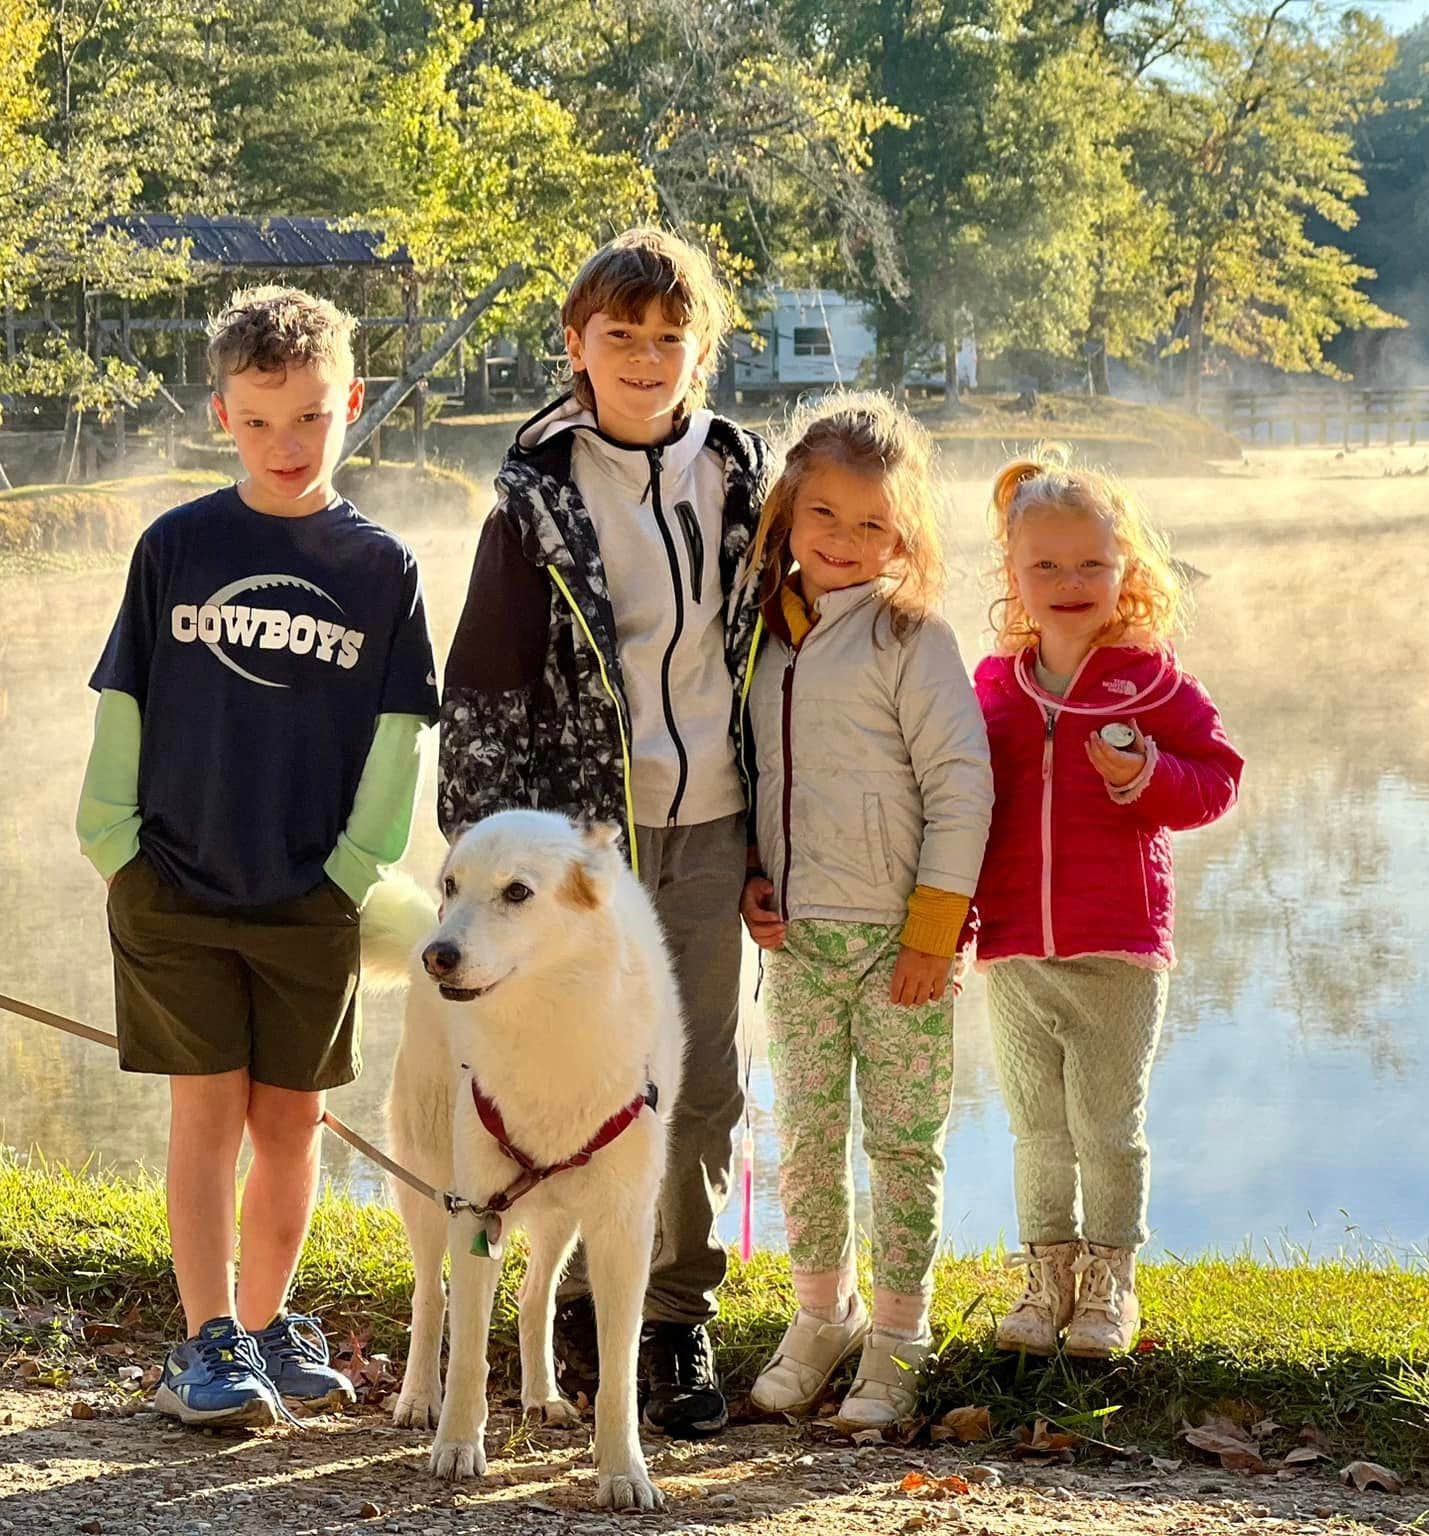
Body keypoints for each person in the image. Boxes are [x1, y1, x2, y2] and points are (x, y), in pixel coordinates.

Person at [75, 286, 439, 1424]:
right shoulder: (178, 547)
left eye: (314, 418)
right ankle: (205, 1340)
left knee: (291, 1124)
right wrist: (114, 850)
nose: (289, 445)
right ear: (221, 412)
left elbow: (396, 739)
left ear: (352, 406)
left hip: (309, 901)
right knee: (206, 1114)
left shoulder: (381, 569)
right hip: (173, 888)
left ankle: (268, 1322)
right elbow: (123, 701)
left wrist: (350, 874)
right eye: (263, 419)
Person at [437, 227, 770, 1438]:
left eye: (668, 338)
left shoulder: (743, 477)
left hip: (717, 823)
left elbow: (778, 660)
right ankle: (567, 1294)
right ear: (574, 345)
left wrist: (778, 842)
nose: (643, 357)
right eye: (617, 335)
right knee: (565, 1071)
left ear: (700, 353)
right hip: (582, 856)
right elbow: (480, 692)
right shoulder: (529, 505)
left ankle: (671, 1320)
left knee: (695, 1087)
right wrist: (476, 871)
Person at [736, 393, 992, 1427]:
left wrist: (935, 928)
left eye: (870, 523)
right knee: (800, 1134)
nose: (843, 542)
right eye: (822, 517)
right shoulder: (763, 635)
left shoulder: (908, 636)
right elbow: (757, 769)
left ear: (905, 533)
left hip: (898, 939)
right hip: (796, 939)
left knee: (899, 1142)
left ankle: (896, 1334)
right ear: (786, 518)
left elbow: (959, 784)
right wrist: (753, 872)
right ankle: (818, 1315)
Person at [972, 454, 1243, 1358]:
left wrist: (1147, 777)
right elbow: (958, 801)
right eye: (1045, 565)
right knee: (1036, 1128)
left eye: (1091, 563)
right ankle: (1045, 1280)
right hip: (1012, 947)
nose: (1069, 583)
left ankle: (1110, 1284)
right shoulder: (993, 688)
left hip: (1120, 947)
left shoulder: (1153, 682)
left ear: (1127, 568)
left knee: (1107, 1127)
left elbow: (1217, 780)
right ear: (1012, 575)